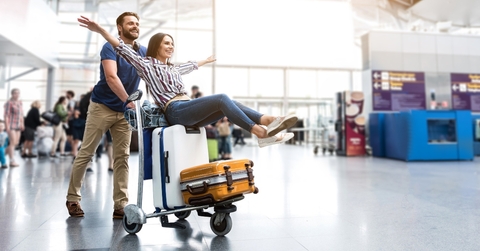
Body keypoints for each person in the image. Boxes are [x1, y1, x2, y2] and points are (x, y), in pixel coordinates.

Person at [78, 16, 298, 148]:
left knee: (229, 104)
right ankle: (259, 131)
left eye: (172, 43)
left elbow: (191, 65)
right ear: (156, 46)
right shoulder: (146, 65)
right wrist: (102, 31)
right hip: (175, 110)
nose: (171, 46)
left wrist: (206, 60)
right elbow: (120, 47)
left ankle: (268, 120)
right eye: (167, 43)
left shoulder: (173, 68)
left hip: (187, 108)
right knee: (221, 98)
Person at [66, 12, 147, 219]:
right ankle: (73, 198)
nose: (135, 26)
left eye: (137, 23)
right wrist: (129, 101)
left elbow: (155, 71)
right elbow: (111, 77)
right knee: (87, 153)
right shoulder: (109, 47)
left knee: (123, 157)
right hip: (101, 106)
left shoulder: (143, 51)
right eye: (130, 23)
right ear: (120, 28)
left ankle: (121, 205)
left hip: (124, 112)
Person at [3, 88, 24, 167]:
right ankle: (12, 161)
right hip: (11, 125)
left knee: (16, 143)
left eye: (18, 93)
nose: (17, 94)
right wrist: (7, 126)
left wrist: (22, 124)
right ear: (12, 94)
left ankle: (2, 153)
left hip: (18, 125)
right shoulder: (9, 103)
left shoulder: (20, 103)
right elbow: (6, 116)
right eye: (15, 93)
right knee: (12, 143)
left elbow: (21, 114)